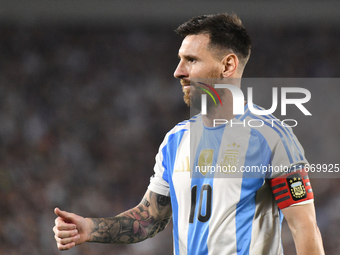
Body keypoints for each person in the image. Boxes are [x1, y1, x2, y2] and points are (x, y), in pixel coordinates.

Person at [53, 13, 325, 254]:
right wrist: (90, 228)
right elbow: (149, 219)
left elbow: (304, 228)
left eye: (191, 60)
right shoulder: (176, 139)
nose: (178, 72)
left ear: (227, 66)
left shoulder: (271, 137)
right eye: (180, 60)